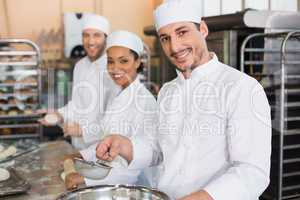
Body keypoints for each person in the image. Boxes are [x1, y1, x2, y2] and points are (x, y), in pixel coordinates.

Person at [95, 0, 272, 200]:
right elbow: (158, 149)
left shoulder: (241, 88)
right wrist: (124, 145)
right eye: (165, 38)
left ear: (203, 29)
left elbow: (252, 172)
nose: (175, 46)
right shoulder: (167, 92)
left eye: (182, 32)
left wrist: (198, 197)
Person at [64, 30, 158, 189]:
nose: (115, 68)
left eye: (124, 61)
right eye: (110, 61)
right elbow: (108, 138)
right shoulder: (120, 94)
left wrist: (85, 180)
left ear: (137, 62)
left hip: (134, 188)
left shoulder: (144, 102)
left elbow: (136, 165)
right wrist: (83, 155)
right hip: (113, 182)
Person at [38, 14, 120, 150]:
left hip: (104, 149)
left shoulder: (114, 69)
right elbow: (77, 104)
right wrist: (59, 115)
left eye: (96, 35)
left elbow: (117, 119)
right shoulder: (80, 66)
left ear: (106, 38)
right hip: (79, 147)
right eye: (86, 35)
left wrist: (84, 131)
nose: (90, 41)